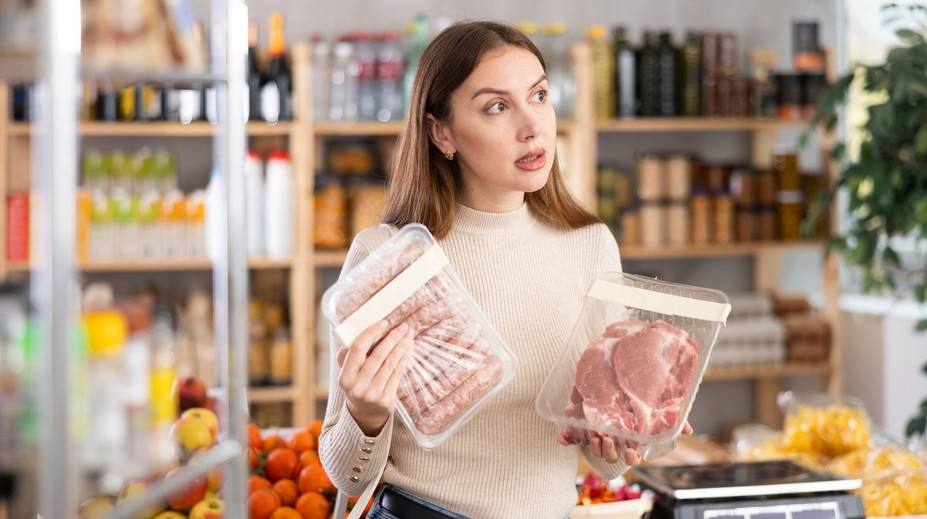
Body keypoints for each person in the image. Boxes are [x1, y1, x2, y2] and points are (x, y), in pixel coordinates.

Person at [319, 20, 690, 519]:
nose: (532, 125)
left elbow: (603, 465)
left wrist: (626, 435)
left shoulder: (589, 246)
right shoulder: (389, 259)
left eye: (539, 95)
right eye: (497, 106)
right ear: (442, 131)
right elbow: (347, 476)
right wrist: (365, 416)